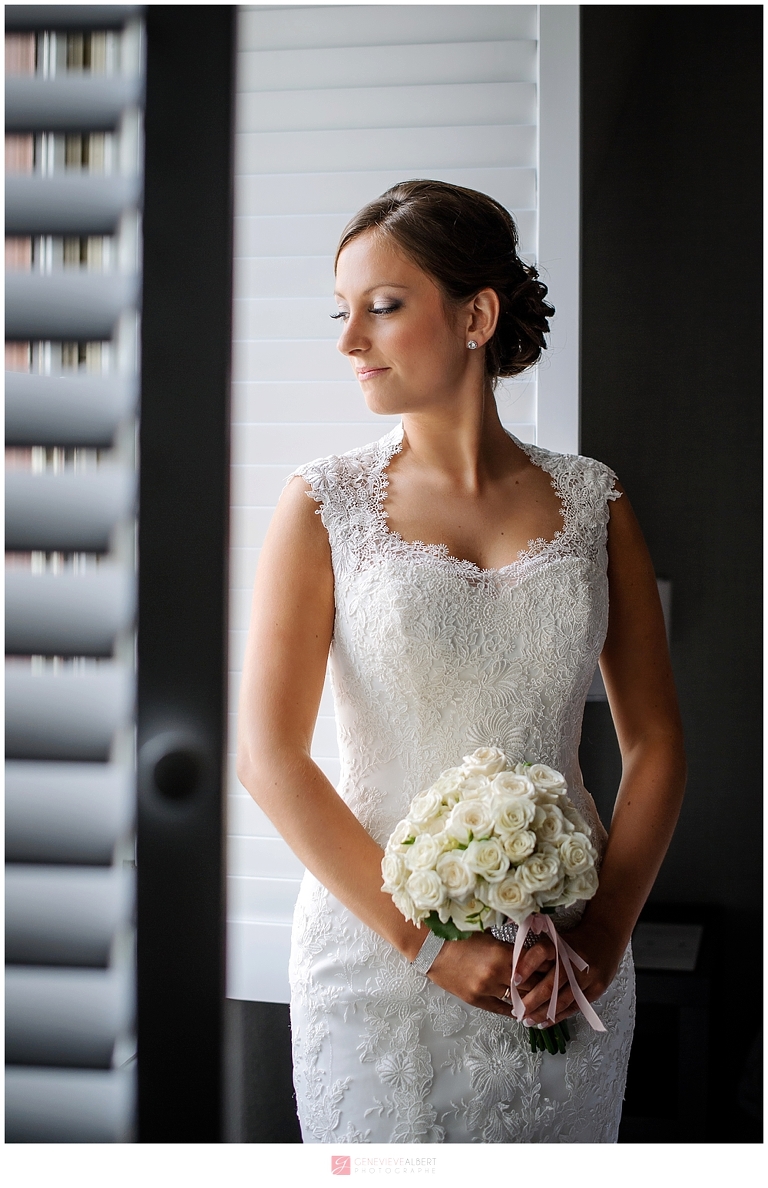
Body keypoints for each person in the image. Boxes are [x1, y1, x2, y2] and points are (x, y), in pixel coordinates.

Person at [236, 180, 687, 1143]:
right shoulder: (322, 505)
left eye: (384, 307)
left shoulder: (593, 501)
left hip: (559, 963)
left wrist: (603, 937)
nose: (350, 340)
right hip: (374, 965)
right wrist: (426, 946)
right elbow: (268, 759)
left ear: (476, 315)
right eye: (342, 312)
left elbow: (654, 744)